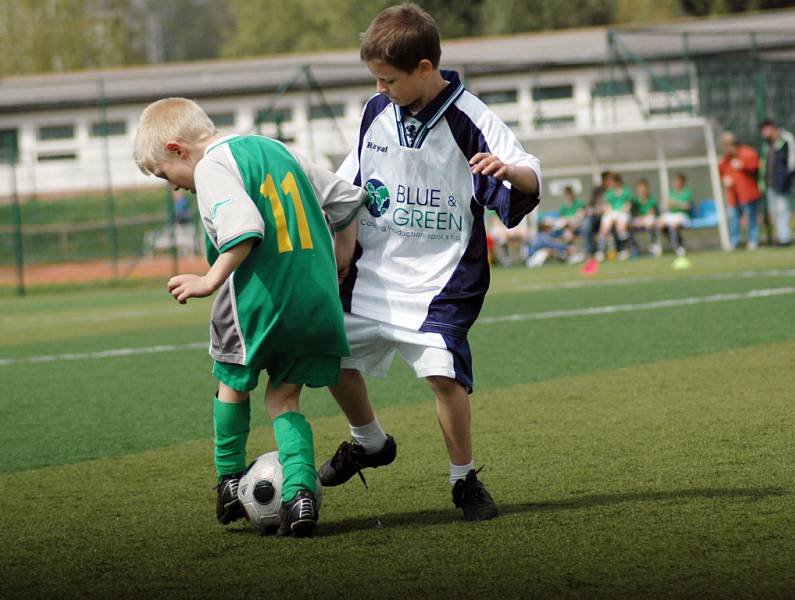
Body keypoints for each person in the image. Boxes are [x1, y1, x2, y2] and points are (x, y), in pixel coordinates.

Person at [318, 3, 541, 522]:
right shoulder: (376, 112)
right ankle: (369, 441)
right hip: (374, 272)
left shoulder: (470, 117)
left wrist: (508, 170)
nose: (379, 90)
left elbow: (529, 172)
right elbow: (349, 187)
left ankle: (464, 479)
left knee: (444, 378)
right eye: (374, 79)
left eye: (387, 80)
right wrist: (342, 248)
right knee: (326, 350)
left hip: (441, 279)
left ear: (424, 69)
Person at [133, 97, 365, 537]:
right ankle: (299, 496)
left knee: (232, 384)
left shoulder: (210, 165)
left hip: (258, 300)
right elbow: (348, 200)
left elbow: (243, 228)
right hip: (315, 299)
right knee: (284, 399)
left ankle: (228, 479)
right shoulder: (276, 148)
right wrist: (343, 255)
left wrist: (208, 279)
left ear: (178, 148)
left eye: (166, 175)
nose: (175, 187)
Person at [719, 131, 761, 249]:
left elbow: (756, 169)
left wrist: (743, 166)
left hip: (748, 193)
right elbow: (721, 171)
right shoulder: (726, 159)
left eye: (727, 145)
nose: (726, 149)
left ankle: (753, 241)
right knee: (733, 218)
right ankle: (734, 242)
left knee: (751, 218)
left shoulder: (747, 153)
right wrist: (724, 179)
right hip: (733, 195)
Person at [760, 119, 795, 246]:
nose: (764, 133)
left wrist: (787, 177)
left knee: (783, 210)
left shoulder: (786, 139)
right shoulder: (767, 145)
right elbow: (764, 165)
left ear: (772, 128)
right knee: (775, 213)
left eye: (765, 129)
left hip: (782, 183)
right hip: (770, 184)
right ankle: (781, 237)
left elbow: (792, 161)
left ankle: (786, 239)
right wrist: (762, 181)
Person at [597, 172, 632, 260]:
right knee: (604, 228)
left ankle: (624, 250)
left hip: (623, 213)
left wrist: (618, 213)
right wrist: (613, 214)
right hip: (612, 213)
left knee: (620, 227)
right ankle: (600, 252)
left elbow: (628, 205)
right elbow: (606, 206)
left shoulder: (626, 190)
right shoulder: (609, 193)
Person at [656, 173, 692, 256]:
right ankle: (657, 247)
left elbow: (687, 206)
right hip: (671, 214)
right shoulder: (671, 192)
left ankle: (678, 247)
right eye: (675, 181)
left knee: (674, 225)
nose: (676, 183)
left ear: (682, 183)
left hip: (682, 215)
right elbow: (666, 204)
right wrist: (679, 204)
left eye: (678, 182)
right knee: (659, 223)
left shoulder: (686, 192)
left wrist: (674, 203)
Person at [631, 179, 659, 256]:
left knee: (650, 222)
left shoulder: (651, 200)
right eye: (640, 189)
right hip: (639, 220)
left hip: (648, 219)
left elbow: (651, 212)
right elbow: (634, 213)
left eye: (643, 189)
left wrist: (642, 218)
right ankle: (634, 247)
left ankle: (652, 246)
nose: (642, 191)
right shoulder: (635, 201)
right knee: (628, 225)